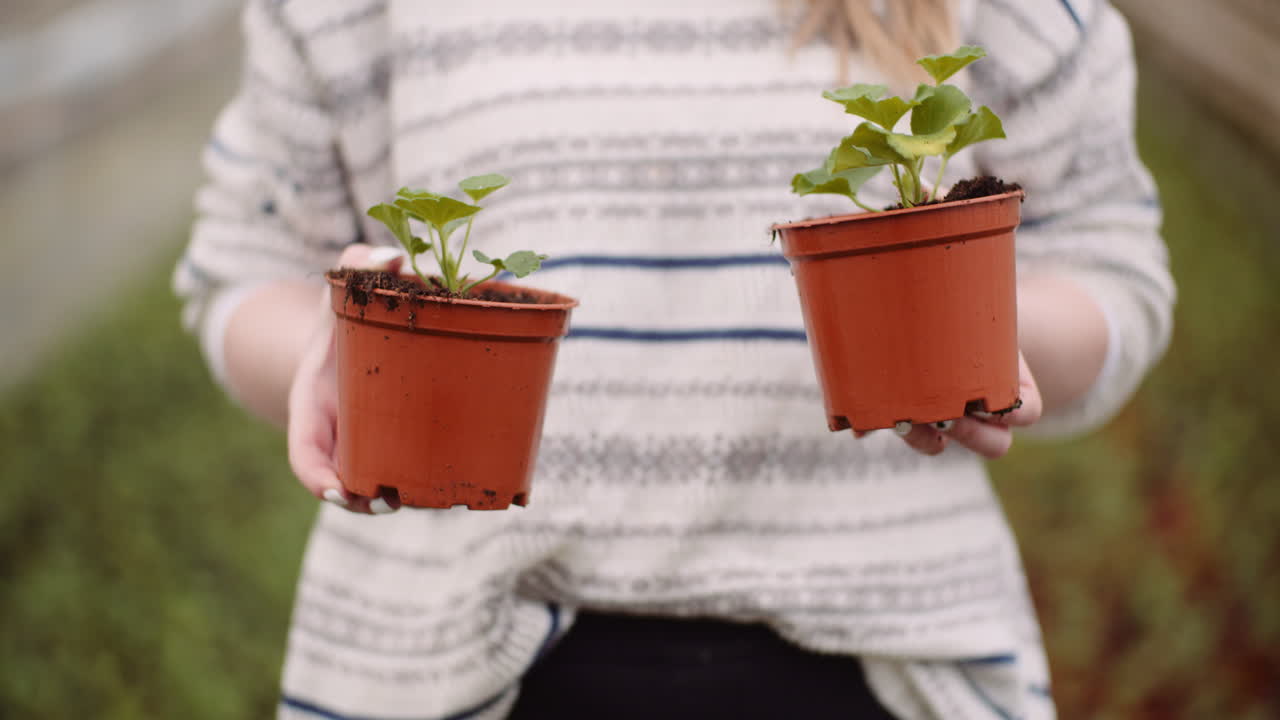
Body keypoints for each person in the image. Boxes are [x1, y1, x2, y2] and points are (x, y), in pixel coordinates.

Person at [175, 0, 1174, 717]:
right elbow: (239, 268)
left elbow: (1108, 257)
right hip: (440, 659)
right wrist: (325, 342)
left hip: (888, 659)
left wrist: (980, 337)